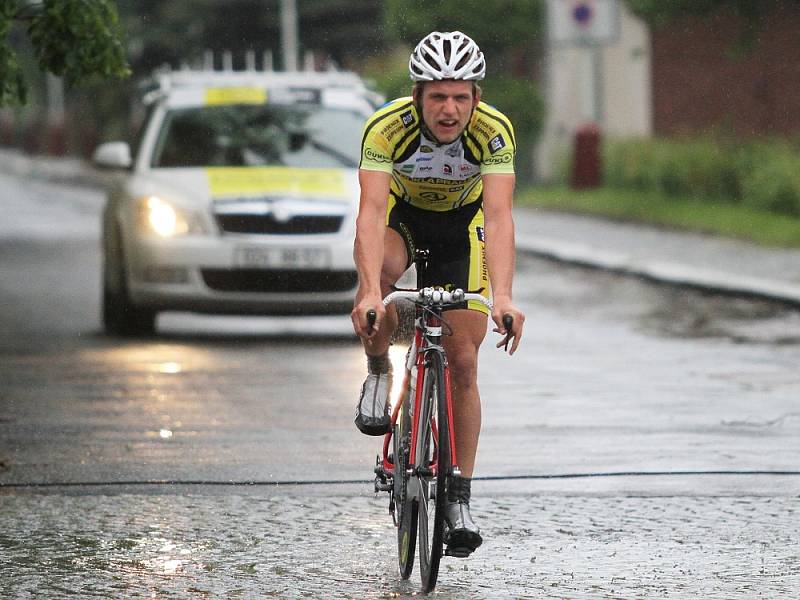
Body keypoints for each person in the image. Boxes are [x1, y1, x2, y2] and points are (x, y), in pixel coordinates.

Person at [351, 31, 525, 557]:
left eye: (461, 97)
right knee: (379, 282)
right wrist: (367, 294)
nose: (450, 109)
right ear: (417, 95)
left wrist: (504, 297)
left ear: (476, 96)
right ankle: (380, 371)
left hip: (462, 228)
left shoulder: (493, 133)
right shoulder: (387, 129)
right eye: (438, 97)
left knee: (464, 362)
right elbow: (370, 212)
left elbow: (498, 217)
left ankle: (456, 498)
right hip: (403, 220)